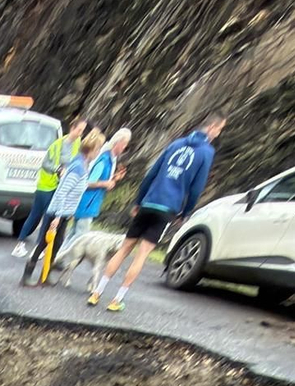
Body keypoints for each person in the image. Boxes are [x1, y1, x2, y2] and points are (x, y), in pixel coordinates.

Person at [90, 115, 225, 310]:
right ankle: (116, 300)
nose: (218, 133)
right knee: (142, 254)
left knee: (124, 249)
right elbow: (196, 187)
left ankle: (97, 292)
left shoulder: (176, 144)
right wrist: (186, 212)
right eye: (219, 129)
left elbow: (151, 174)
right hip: (167, 207)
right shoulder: (206, 152)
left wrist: (138, 201)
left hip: (149, 201)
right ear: (212, 127)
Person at [21, 129, 107, 286]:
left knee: (57, 243)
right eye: (98, 149)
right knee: (43, 243)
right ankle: (27, 275)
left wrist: (69, 212)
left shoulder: (83, 164)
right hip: (57, 212)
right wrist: (58, 216)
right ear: (93, 149)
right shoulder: (79, 167)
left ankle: (45, 275)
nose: (99, 152)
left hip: (65, 212)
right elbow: (63, 191)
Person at [14, 116, 87, 257]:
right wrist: (59, 169)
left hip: (59, 186)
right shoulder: (57, 144)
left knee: (49, 217)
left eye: (83, 131)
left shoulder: (78, 144)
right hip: (46, 185)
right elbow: (46, 164)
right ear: (72, 128)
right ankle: (20, 244)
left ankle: (39, 248)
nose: (80, 133)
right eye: (79, 130)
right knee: (36, 216)